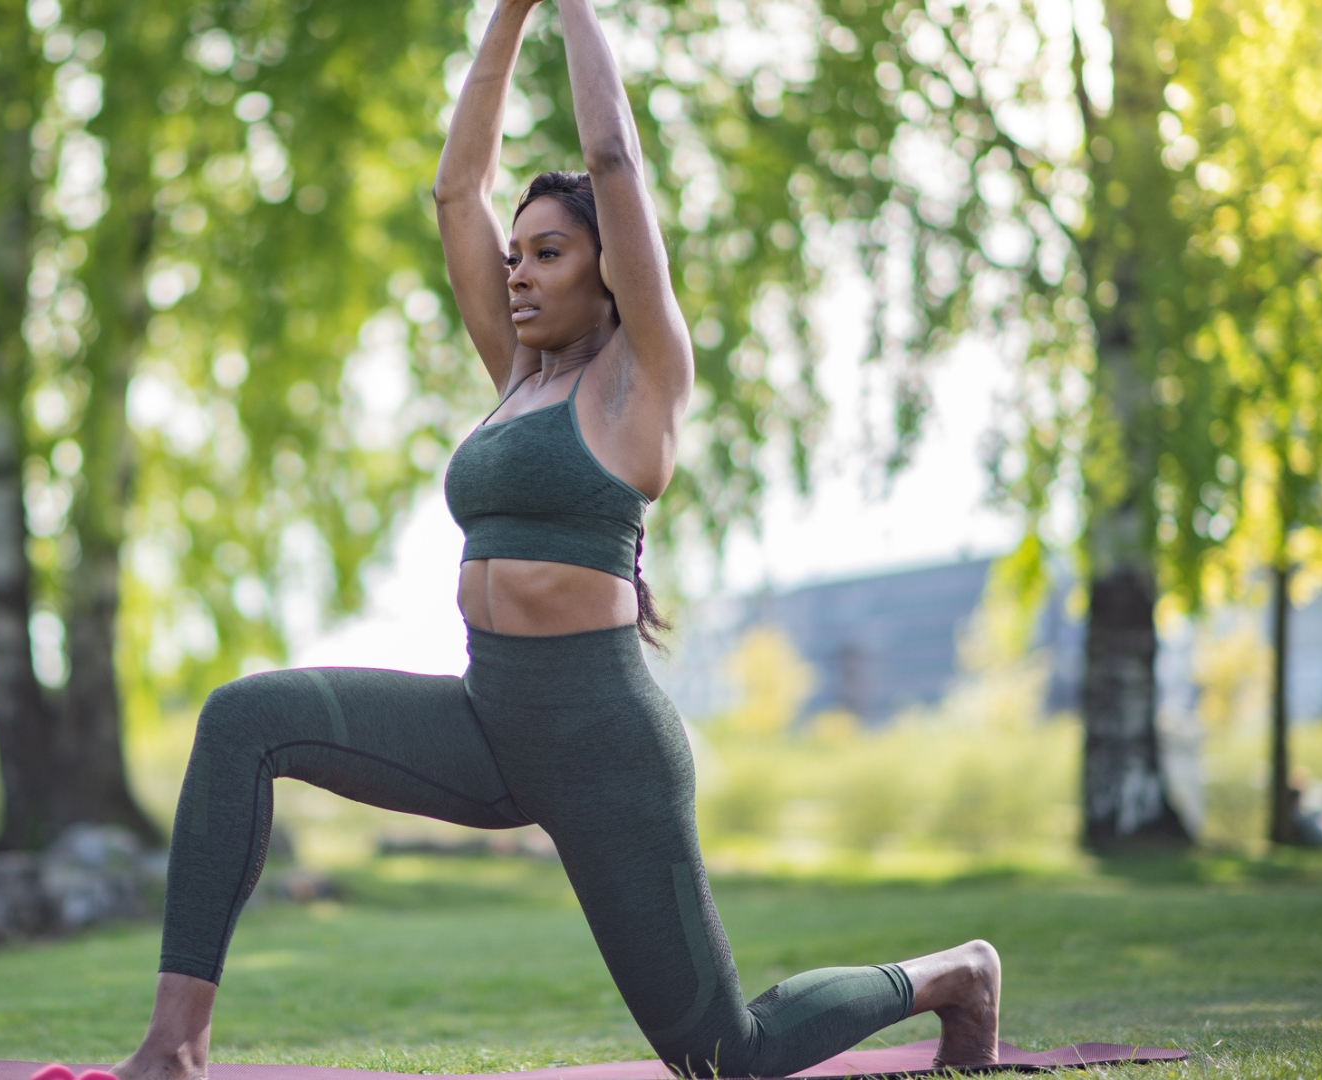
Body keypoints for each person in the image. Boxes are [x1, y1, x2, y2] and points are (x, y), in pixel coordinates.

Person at [110, 2, 1001, 1077]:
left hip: (602, 749)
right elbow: (454, 193)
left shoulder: (640, 383)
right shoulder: (519, 378)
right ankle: (174, 1047)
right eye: (515, 254)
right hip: (488, 722)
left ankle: (955, 976)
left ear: (606, 271)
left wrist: (570, 6)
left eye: (548, 254)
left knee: (729, 1059)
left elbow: (613, 154)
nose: (519, 273)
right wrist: (507, 15)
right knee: (244, 720)